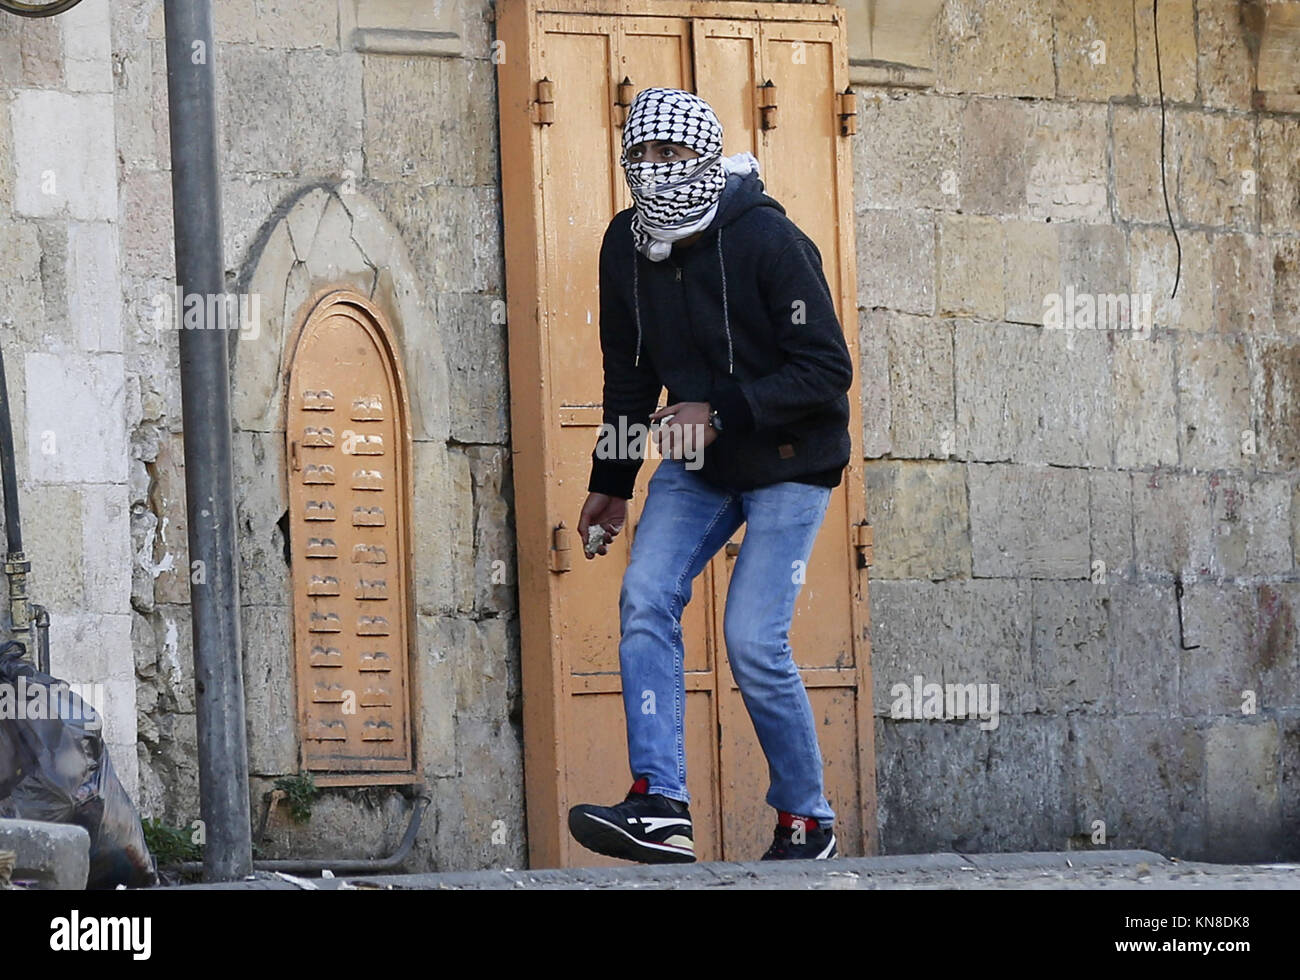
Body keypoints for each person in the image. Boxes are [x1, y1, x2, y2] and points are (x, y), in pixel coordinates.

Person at [569, 87, 853, 863]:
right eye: (643, 156)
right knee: (644, 594)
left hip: (793, 459)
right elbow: (629, 375)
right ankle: (660, 802)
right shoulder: (625, 244)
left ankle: (807, 819)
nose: (657, 172)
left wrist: (721, 411)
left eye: (673, 156)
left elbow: (828, 369)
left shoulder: (767, 239)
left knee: (752, 637)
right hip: (699, 465)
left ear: (704, 156)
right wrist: (613, 481)